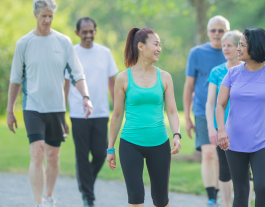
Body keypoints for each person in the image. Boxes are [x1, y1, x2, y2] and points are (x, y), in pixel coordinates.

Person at [7, 1, 92, 207]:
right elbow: (16, 79)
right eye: (43, 16)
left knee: (53, 156)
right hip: (33, 107)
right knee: (37, 151)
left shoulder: (63, 42)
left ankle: (48, 197)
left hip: (56, 108)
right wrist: (10, 110)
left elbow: (77, 74)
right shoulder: (24, 43)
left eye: (50, 16)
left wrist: (85, 96)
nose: (47, 20)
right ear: (35, 14)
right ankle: (38, 203)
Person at [106, 27, 181, 207]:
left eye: (160, 45)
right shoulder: (123, 78)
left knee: (161, 200)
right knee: (136, 196)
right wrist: (110, 148)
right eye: (155, 44)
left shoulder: (165, 77)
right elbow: (116, 115)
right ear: (141, 46)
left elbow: (172, 111)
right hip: (131, 143)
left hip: (159, 143)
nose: (159, 49)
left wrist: (177, 134)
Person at [216, 28, 265, 207]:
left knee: (262, 188)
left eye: (242, 45)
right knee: (240, 192)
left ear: (255, 48)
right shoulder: (232, 73)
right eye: (238, 44)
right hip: (234, 142)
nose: (238, 49)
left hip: (262, 141)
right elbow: (220, 105)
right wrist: (222, 131)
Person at [64, 17, 119, 207]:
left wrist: (117, 108)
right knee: (81, 155)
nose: (88, 35)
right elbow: (66, 84)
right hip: (78, 114)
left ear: (96, 31)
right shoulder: (71, 53)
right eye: (84, 32)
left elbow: (113, 83)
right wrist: (63, 113)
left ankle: (86, 184)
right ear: (77, 33)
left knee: (100, 154)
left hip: (101, 112)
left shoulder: (105, 52)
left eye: (91, 31)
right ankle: (88, 196)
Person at [184, 15, 230, 206]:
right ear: (208, 32)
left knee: (223, 154)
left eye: (221, 30)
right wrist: (187, 117)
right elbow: (188, 86)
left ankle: (221, 193)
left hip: (228, 112)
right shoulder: (196, 53)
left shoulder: (234, 52)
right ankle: (211, 197)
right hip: (203, 110)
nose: (217, 34)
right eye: (213, 30)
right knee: (209, 153)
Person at [206, 30, 254, 207]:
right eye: (223, 45)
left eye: (229, 45)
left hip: (245, 129)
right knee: (225, 171)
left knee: (245, 171)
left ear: (239, 47)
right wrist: (213, 128)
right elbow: (210, 102)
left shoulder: (250, 69)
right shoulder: (216, 72)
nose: (225, 48)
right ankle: (226, 205)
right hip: (223, 129)